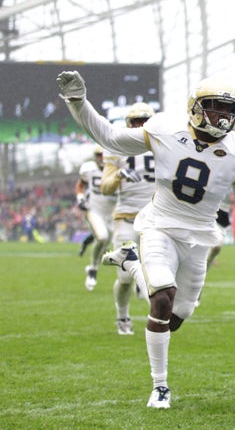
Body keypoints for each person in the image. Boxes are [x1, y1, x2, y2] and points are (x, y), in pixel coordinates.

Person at [57, 70, 235, 409]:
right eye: (216, 108)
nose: (224, 116)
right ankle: (160, 387)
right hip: (160, 226)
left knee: (174, 318)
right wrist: (78, 102)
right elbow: (110, 138)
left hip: (200, 236)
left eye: (229, 110)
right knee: (162, 298)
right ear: (196, 108)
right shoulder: (164, 129)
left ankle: (131, 264)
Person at [99, 102, 156, 335]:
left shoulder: (164, 144)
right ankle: (123, 316)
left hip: (155, 221)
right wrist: (119, 175)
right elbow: (104, 188)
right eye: (136, 122)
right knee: (124, 277)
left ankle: (155, 313)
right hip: (127, 217)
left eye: (145, 121)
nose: (140, 126)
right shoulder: (116, 148)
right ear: (128, 125)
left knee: (158, 271)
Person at [76, 146, 117, 291]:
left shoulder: (117, 168)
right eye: (99, 155)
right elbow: (80, 185)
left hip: (112, 213)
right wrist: (80, 199)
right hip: (95, 210)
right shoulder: (89, 169)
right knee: (101, 237)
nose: (102, 158)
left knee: (105, 246)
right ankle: (93, 270)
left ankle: (93, 267)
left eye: (104, 155)